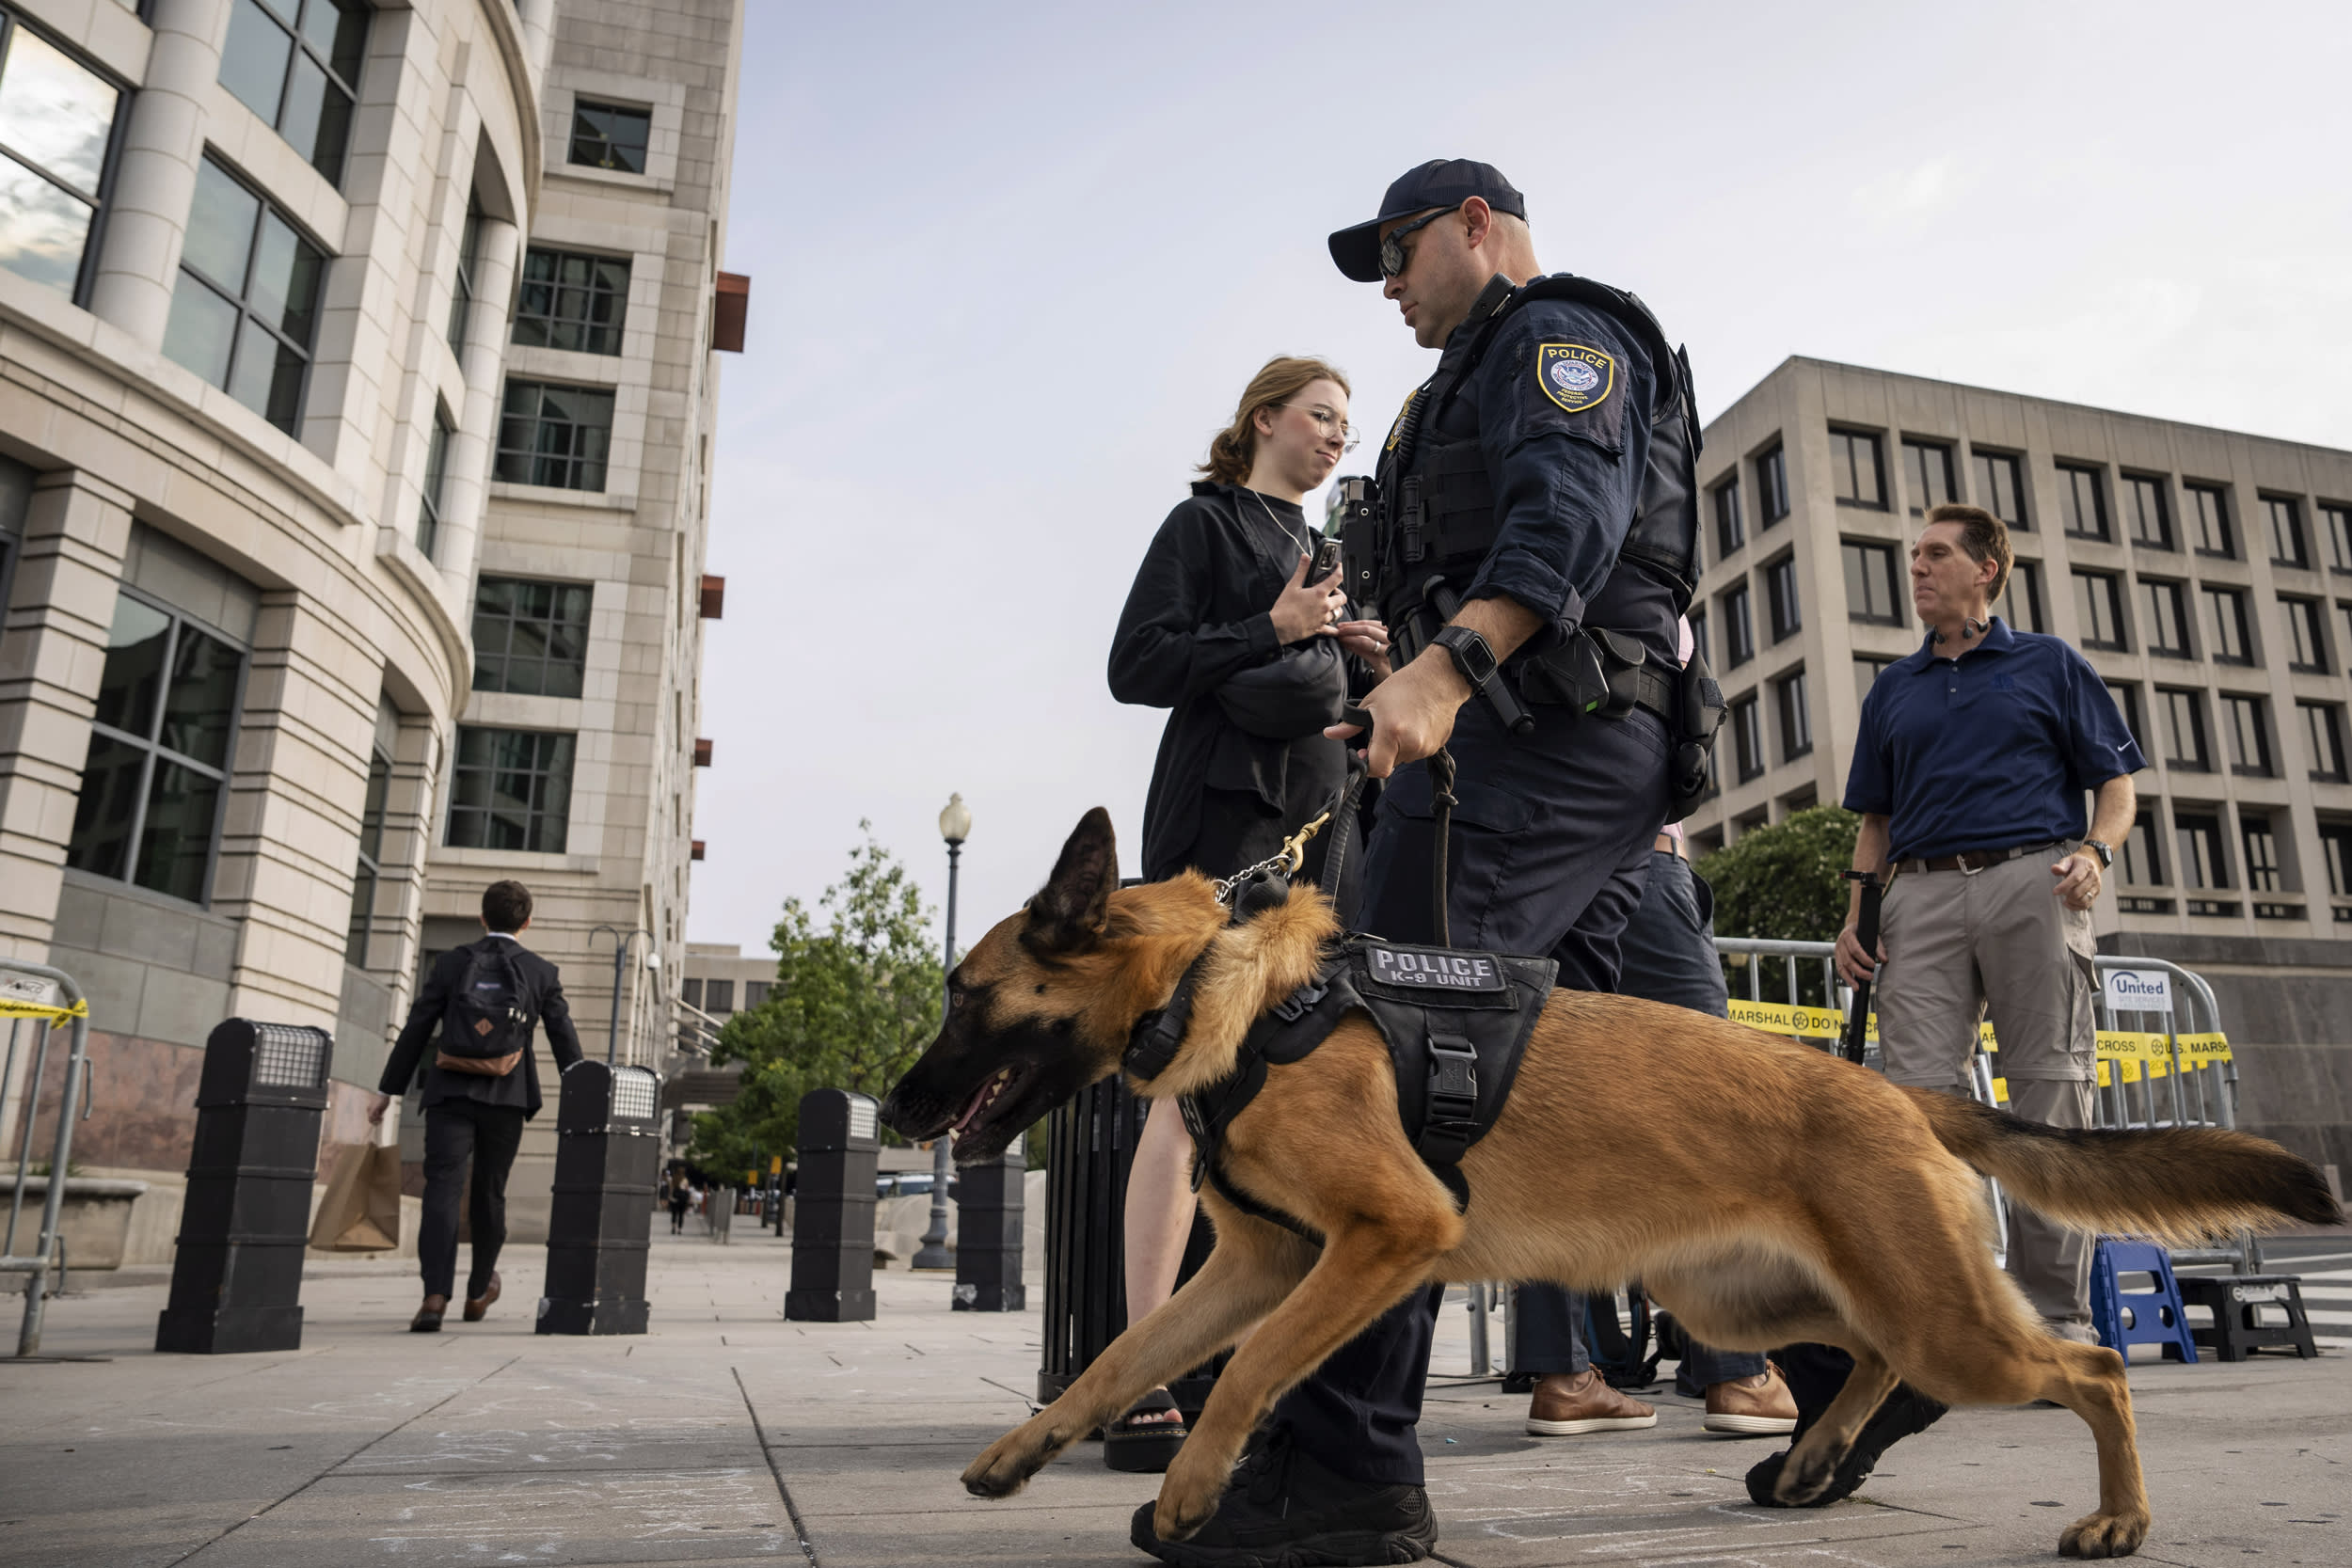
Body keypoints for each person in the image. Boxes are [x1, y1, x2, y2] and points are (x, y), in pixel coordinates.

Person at [1130, 159, 1702, 1568]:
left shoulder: (1559, 340)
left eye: (1395, 254)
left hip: (1544, 746)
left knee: (1387, 1061)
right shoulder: (1446, 389)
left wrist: (1446, 669)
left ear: (1474, 227)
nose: (1385, 287)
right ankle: (1852, 1352)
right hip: (1542, 749)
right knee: (1623, 1075)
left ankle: (1348, 1471)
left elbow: (1565, 514)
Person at [1754, 501, 2144, 1508]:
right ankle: (1939, 1318)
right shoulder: (1895, 686)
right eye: (1913, 556)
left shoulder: (2049, 663)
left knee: (2048, 1095)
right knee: (1911, 1114)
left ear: (1987, 568)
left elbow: (2118, 787)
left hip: (2031, 879)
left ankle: (2053, 1326)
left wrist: (2094, 853)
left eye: (1934, 554)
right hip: (1920, 894)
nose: (1916, 568)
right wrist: (1858, 913)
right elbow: (1874, 819)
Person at [1107, 356, 1386, 1472]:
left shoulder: (1324, 557)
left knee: (1294, 1106)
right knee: (1186, 1096)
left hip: (1320, 855)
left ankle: (1257, 1371)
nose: (1333, 438)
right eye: (1320, 416)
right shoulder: (1206, 526)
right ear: (1263, 418)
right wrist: (1271, 629)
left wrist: (1356, 660)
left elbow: (1315, 703)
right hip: (1218, 848)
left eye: (1345, 428)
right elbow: (1137, 665)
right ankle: (1139, 1374)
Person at [1514, 624, 1797, 1441]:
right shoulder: (1635, 570)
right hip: (1634, 860)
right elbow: (1681, 732)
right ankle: (1736, 1370)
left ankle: (1565, 1373)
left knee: (1546, 1123)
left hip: (1524, 864)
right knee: (1717, 1115)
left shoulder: (1487, 562)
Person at [368, 879, 584, 1331]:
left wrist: (388, 1089)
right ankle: (478, 1289)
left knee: (442, 1191)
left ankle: (433, 1296)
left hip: (450, 1090)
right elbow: (563, 1037)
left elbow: (417, 1028)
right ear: (527, 922)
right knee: (490, 1191)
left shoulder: (452, 963)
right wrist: (582, 1092)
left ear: (482, 917)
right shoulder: (541, 972)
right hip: (508, 1096)